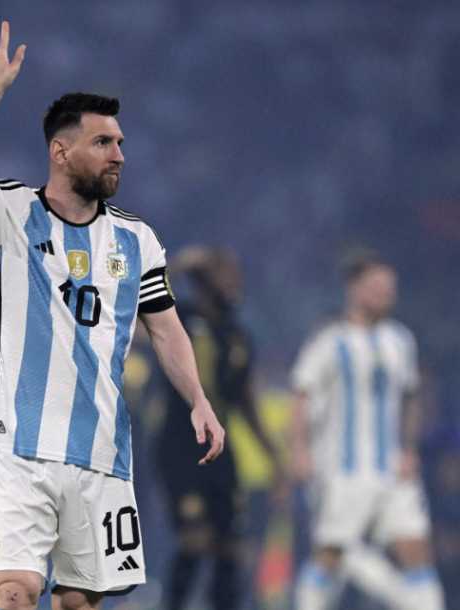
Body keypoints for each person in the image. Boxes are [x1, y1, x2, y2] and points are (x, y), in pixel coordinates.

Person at [0, 15, 225, 610]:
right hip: (18, 449)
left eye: (120, 143)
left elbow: (166, 330)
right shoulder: (12, 212)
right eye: (103, 143)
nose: (118, 154)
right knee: (15, 591)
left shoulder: (137, 240)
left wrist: (198, 398)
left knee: (80, 603)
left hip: (101, 455)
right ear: (60, 150)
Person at [291, 249, 445, 610]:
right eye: (377, 286)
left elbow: (409, 398)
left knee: (415, 547)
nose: (386, 294)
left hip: (392, 468)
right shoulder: (330, 341)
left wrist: (409, 449)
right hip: (342, 469)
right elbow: (301, 397)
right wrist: (299, 451)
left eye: (390, 288)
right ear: (354, 288)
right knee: (331, 554)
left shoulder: (401, 340)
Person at [156, 246, 284, 610]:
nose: (235, 283)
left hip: (220, 451)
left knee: (231, 545)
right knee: (194, 540)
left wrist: (274, 455)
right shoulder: (179, 321)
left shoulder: (237, 335)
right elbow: (139, 303)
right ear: (205, 280)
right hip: (180, 447)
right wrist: (178, 265)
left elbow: (245, 401)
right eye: (226, 274)